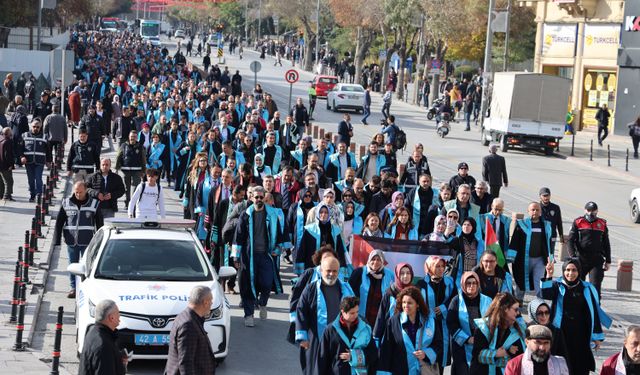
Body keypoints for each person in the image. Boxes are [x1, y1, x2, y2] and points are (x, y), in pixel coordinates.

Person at [541, 258, 612, 375]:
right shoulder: (557, 286)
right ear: (563, 271)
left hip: (581, 335)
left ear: (579, 271)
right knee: (562, 364)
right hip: (561, 333)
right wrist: (549, 275)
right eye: (567, 270)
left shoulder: (587, 288)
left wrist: (597, 336)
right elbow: (545, 294)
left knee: (580, 365)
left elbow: (593, 312)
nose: (570, 273)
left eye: (574, 270)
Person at [233, 186, 286, 327]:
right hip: (248, 257)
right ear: (251, 198)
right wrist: (236, 257)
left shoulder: (272, 215)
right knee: (248, 286)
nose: (259, 200)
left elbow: (279, 234)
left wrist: (278, 248)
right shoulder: (246, 215)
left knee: (267, 283)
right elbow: (238, 237)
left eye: (261, 197)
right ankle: (249, 315)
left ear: (265, 198)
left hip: (266, 255)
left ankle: (263, 303)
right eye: (256, 197)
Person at [296, 256, 355, 375]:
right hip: (316, 340)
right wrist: (303, 337)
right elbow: (301, 311)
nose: (331, 274)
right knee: (315, 370)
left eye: (335, 271)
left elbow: (355, 313)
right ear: (321, 270)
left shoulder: (346, 289)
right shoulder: (311, 289)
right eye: (328, 270)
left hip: (340, 341)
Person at [54, 181, 103, 298]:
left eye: (80, 192)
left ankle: (86, 287)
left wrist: (100, 241)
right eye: (76, 192)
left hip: (88, 240)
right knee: (73, 265)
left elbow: (99, 224)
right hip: (71, 241)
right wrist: (57, 240)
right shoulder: (66, 203)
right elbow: (59, 222)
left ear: (86, 190)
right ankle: (74, 288)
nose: (78, 194)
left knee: (87, 265)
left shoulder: (94, 203)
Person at [377, 286, 441, 375]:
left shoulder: (430, 322)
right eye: (404, 302)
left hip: (424, 370)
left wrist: (426, 354)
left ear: (417, 304)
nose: (405, 306)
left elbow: (438, 345)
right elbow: (386, 349)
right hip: (400, 370)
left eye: (410, 303)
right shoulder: (393, 321)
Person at [317, 296, 378, 375]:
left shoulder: (365, 329)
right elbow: (322, 358)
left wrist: (354, 357)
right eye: (352, 313)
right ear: (343, 311)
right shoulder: (330, 330)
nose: (355, 315)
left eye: (357, 312)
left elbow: (373, 354)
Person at [447, 271, 493, 375]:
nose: (471, 286)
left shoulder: (487, 300)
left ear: (478, 284)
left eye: (474, 283)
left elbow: (493, 321)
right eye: (468, 283)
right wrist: (467, 339)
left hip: (482, 346)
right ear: (463, 284)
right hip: (461, 347)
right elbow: (451, 323)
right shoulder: (456, 301)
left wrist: (481, 339)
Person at [164, 286, 216, 375]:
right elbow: (186, 362)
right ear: (205, 302)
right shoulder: (188, 325)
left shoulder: (186, 316)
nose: (211, 304)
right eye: (211, 301)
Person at [416, 256, 456, 372]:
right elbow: (417, 302)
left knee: (441, 356)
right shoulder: (421, 284)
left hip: (443, 325)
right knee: (428, 356)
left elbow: (455, 299)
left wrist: (444, 307)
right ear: (429, 267)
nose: (440, 269)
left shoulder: (450, 282)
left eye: (442, 266)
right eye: (437, 266)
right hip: (428, 326)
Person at [470, 292, 526, 375]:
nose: (518, 313)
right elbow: (477, 355)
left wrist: (508, 352)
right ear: (505, 309)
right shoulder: (483, 327)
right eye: (515, 309)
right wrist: (496, 354)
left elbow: (520, 358)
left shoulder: (517, 329)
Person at [508, 202, 552, 299]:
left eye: (537, 210)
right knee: (521, 281)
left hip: (540, 260)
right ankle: (518, 303)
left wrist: (551, 258)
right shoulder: (522, 224)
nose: (535, 212)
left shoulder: (546, 226)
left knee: (539, 282)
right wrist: (511, 257)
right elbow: (514, 241)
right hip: (523, 260)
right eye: (533, 210)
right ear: (528, 211)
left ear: (540, 212)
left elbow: (549, 244)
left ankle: (540, 304)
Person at [567, 201, 611, 298]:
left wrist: (608, 261)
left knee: (595, 288)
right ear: (585, 210)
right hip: (580, 259)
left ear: (597, 211)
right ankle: (579, 310)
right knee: (578, 286)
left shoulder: (602, 223)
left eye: (593, 211)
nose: (591, 213)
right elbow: (570, 240)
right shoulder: (578, 222)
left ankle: (595, 310)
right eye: (589, 210)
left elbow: (606, 243)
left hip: (596, 260)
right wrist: (573, 257)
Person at [78, 299, 126, 375]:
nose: (119, 316)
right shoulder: (104, 345)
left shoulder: (92, 330)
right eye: (118, 313)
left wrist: (118, 360)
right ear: (111, 318)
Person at [348, 249, 394, 326]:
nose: (375, 262)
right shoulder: (359, 272)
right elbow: (349, 292)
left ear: (382, 261)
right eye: (373, 259)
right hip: (360, 318)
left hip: (379, 320)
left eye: (379, 260)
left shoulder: (389, 274)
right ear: (369, 260)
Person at [373, 263, 415, 345]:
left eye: (408, 273)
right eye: (402, 273)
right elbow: (381, 315)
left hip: (410, 336)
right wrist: (376, 337)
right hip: (390, 334)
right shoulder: (390, 292)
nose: (405, 276)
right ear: (397, 275)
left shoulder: (415, 293)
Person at [504, 325, 569, 375]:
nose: (542, 347)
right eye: (538, 342)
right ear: (527, 342)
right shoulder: (514, 365)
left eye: (546, 343)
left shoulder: (560, 363)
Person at [526, 298, 569, 362]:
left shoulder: (556, 331)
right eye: (540, 313)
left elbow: (563, 356)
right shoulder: (528, 330)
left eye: (547, 312)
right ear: (533, 314)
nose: (544, 316)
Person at [19, 118, 51, 202]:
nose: (36, 128)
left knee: (38, 178)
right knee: (31, 180)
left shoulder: (44, 137)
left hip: (39, 162)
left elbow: (48, 151)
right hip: (28, 162)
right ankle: (32, 194)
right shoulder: (24, 135)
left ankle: (39, 195)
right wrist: (22, 157)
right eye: (34, 126)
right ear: (31, 126)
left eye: (38, 127)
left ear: (41, 127)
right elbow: (20, 148)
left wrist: (48, 161)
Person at [116, 130, 146, 208]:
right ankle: (127, 203)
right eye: (132, 136)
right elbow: (118, 156)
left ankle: (133, 204)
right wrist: (116, 168)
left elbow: (143, 159)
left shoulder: (140, 147)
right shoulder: (123, 145)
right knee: (126, 188)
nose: (133, 138)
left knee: (135, 188)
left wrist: (143, 171)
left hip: (137, 170)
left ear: (137, 138)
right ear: (129, 137)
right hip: (125, 170)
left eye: (135, 137)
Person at [538, 187, 564, 256]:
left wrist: (561, 236)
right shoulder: (537, 207)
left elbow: (559, 223)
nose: (546, 197)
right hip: (540, 235)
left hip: (552, 235)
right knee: (540, 254)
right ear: (540, 196)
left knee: (551, 254)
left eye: (548, 195)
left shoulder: (555, 208)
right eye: (544, 196)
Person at [0, 127, 15, 201]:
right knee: (9, 181)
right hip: (5, 165)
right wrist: (11, 165)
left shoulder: (1, 140)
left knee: (2, 181)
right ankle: (6, 196)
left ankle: (1, 195)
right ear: (9, 133)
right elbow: (8, 155)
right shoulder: (8, 141)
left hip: (1, 164)